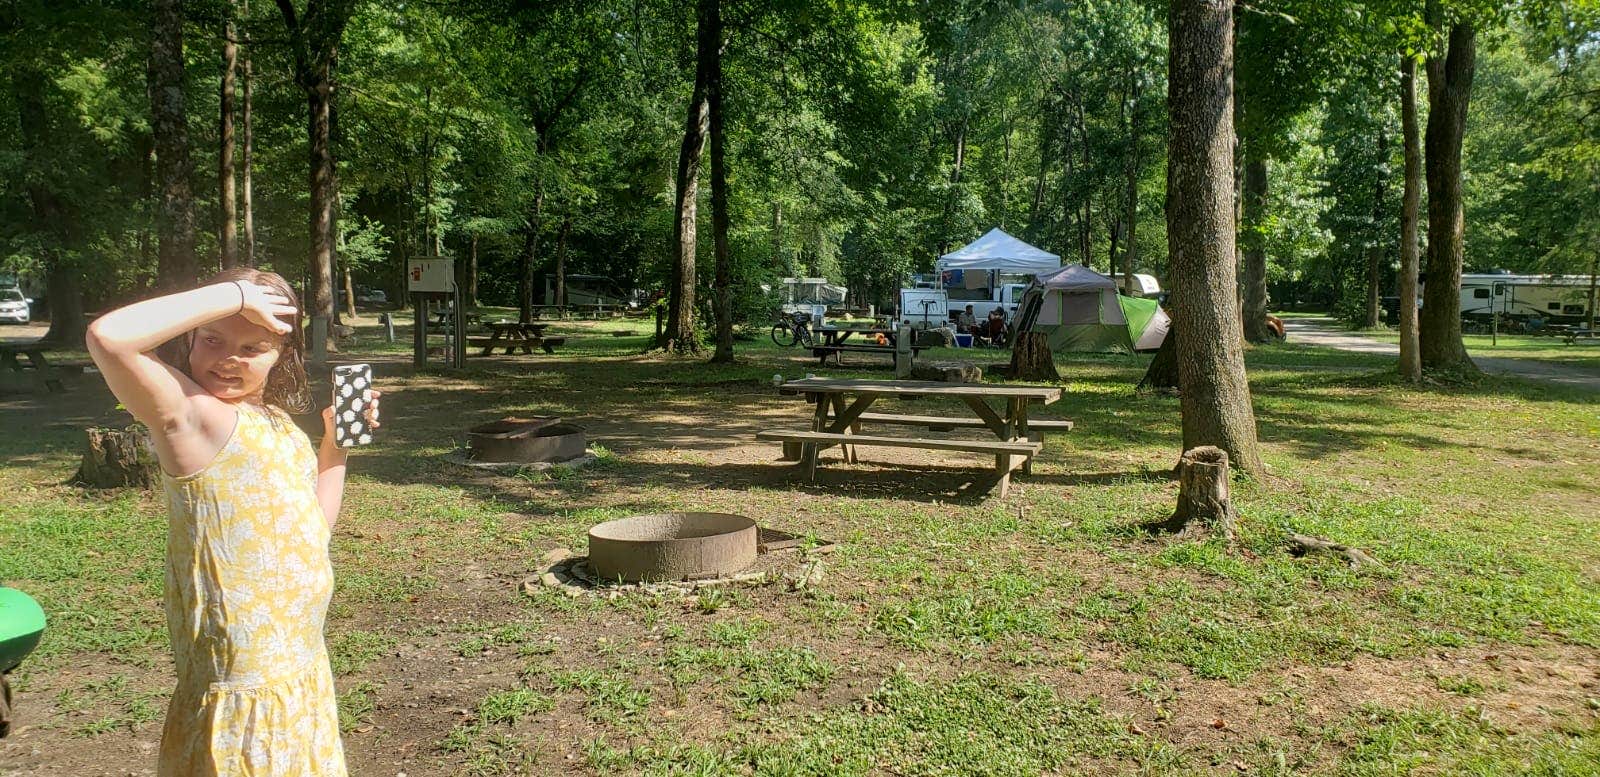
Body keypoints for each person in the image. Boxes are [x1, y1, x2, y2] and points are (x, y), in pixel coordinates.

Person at [86, 268, 378, 776]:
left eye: (253, 347)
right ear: (190, 340)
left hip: (301, 665)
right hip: (244, 689)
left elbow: (312, 528)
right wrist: (237, 295)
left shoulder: (278, 424)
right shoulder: (191, 417)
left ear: (282, 354)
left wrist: (334, 448)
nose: (228, 359)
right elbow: (109, 338)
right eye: (212, 340)